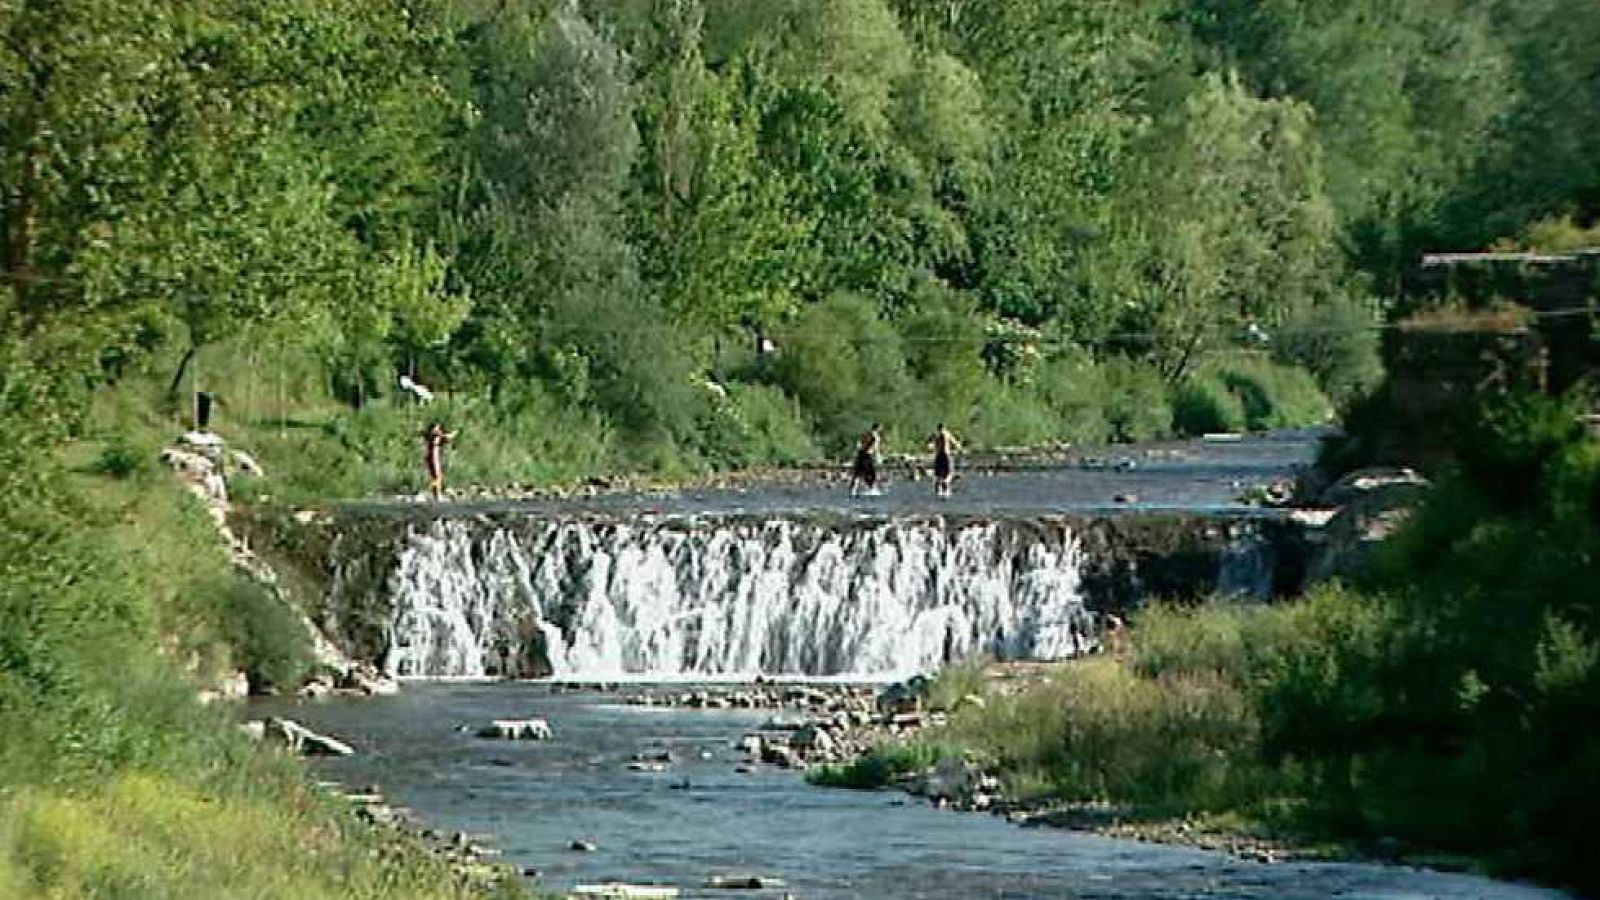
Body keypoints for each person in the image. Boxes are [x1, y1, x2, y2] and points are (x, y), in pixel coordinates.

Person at [422, 421, 457, 501]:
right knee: (437, 477)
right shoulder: (435, 435)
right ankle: (431, 493)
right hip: (433, 457)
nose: (438, 429)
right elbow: (447, 437)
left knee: (437, 476)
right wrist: (453, 434)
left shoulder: (433, 436)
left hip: (433, 457)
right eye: (437, 428)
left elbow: (445, 440)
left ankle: (436, 494)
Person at [927, 423, 962, 498]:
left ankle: (938, 491)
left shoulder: (935, 435)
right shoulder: (947, 434)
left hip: (938, 455)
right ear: (944, 428)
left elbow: (929, 445)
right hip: (946, 455)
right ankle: (946, 483)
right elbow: (956, 444)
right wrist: (958, 450)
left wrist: (931, 449)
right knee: (950, 472)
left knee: (938, 474)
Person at [850, 422, 883, 497]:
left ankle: (853, 491)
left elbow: (859, 444)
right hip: (867, 456)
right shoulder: (875, 436)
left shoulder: (866, 434)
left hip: (860, 455)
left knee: (857, 473)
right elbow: (875, 447)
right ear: (878, 428)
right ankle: (871, 489)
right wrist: (878, 456)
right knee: (871, 473)